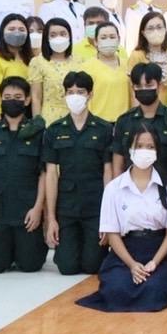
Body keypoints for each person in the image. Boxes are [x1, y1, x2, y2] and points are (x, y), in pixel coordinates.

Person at [77, 126, 167, 312]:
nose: (144, 151)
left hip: (160, 251)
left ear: (157, 151)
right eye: (139, 146)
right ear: (129, 149)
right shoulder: (114, 188)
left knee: (153, 289)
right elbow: (112, 234)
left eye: (150, 147)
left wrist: (154, 262)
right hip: (126, 251)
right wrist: (132, 265)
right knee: (116, 290)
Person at [39, 70, 114, 276]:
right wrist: (51, 218)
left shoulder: (104, 129)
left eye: (80, 92)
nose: (75, 96)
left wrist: (108, 218)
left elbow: (108, 173)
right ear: (64, 95)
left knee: (93, 266)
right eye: (70, 92)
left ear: (90, 95)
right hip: (67, 208)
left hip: (95, 206)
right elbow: (51, 175)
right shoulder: (54, 130)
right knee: (67, 267)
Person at [0, 76, 48, 274]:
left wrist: (38, 209)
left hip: (27, 212)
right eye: (7, 97)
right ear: (0, 99)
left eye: (18, 97)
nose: (12, 101)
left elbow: (43, 174)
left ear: (27, 100)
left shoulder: (38, 133)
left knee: (31, 266)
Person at [108, 63, 167, 181]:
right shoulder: (124, 121)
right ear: (133, 88)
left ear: (159, 86)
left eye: (149, 85)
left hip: (164, 187)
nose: (144, 90)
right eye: (138, 86)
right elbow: (118, 164)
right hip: (130, 187)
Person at [0, 14, 34, 123]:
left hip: (27, 117)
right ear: (2, 33)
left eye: (21, 30)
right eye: (11, 29)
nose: (17, 33)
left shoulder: (31, 59)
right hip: (3, 119)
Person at [28, 17, 81, 121]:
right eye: (53, 35)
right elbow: (36, 97)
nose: (58, 38)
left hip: (76, 117)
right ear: (46, 39)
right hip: (50, 119)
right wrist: (37, 124)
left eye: (63, 34)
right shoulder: (38, 62)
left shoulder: (80, 61)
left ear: (69, 36)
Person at [80, 21, 131, 120]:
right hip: (98, 122)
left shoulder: (128, 65)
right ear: (96, 41)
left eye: (112, 37)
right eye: (103, 38)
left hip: (124, 122)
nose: (108, 40)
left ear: (119, 39)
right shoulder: (86, 67)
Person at [125, 10, 167, 103]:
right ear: (143, 33)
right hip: (144, 108)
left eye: (159, 27)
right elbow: (132, 89)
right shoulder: (137, 55)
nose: (155, 31)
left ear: (165, 30)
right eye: (150, 28)